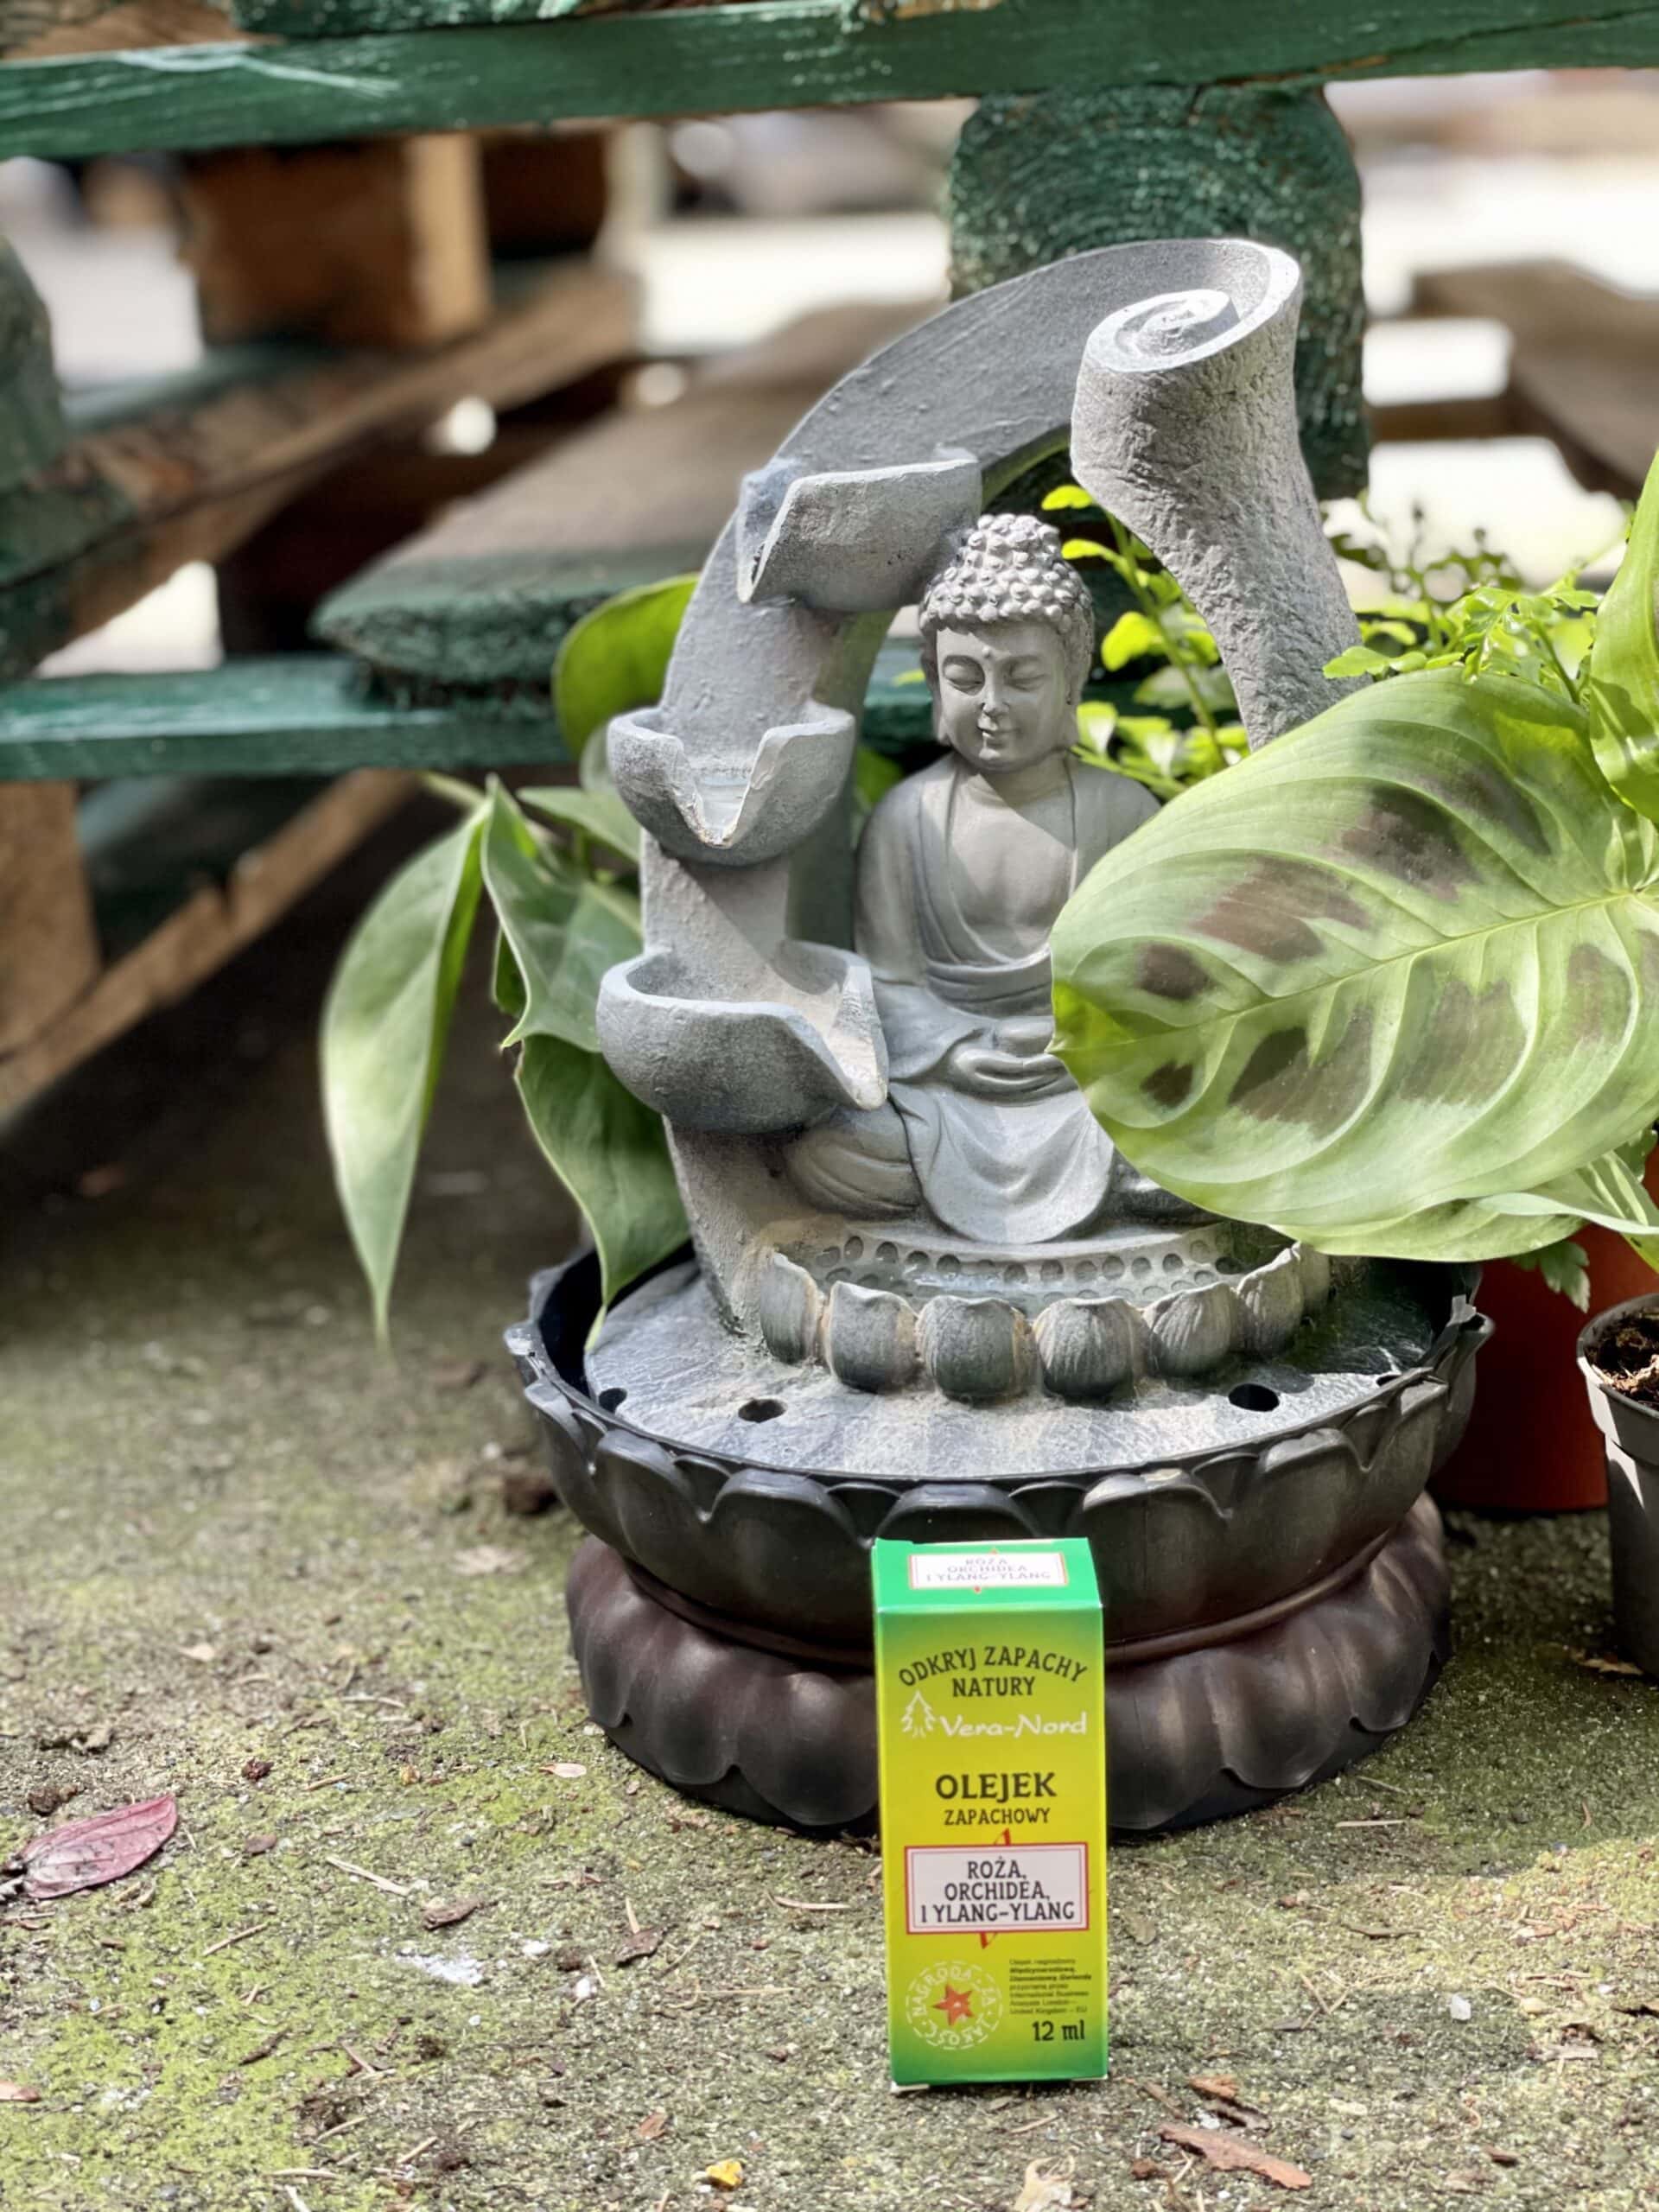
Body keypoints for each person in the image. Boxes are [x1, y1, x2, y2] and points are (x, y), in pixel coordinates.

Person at [785, 512, 1175, 1246]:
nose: (992, 705)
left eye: (1023, 678)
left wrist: (1078, 1037)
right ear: (935, 680)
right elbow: (887, 982)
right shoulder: (906, 818)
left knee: (1188, 1140)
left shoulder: (1122, 811)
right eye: (966, 678)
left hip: (1087, 1084)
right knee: (832, 1155)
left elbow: (1156, 976)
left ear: (1072, 680)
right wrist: (957, 1049)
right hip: (950, 1091)